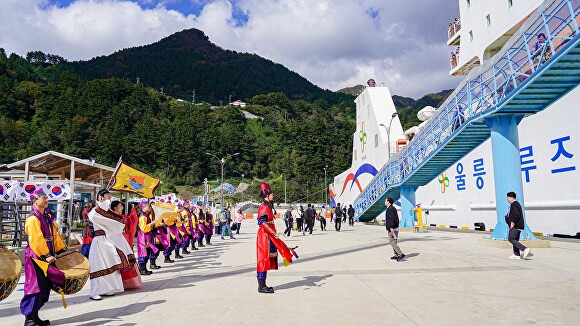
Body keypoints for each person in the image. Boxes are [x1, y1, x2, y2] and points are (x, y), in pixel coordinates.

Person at [20, 188, 67, 326]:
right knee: (35, 287)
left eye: (47, 198)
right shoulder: (33, 218)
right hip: (36, 257)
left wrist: (61, 250)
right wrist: (46, 255)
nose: (46, 200)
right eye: (43, 198)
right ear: (35, 201)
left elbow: (54, 236)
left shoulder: (47, 217)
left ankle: (35, 317)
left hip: (47, 256)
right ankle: (29, 319)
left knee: (45, 286)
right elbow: (36, 239)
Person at [88, 189, 136, 300]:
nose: (109, 198)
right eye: (107, 196)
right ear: (100, 198)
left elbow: (117, 223)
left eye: (110, 196)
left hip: (108, 241)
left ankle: (107, 289)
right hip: (99, 241)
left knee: (111, 265)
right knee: (98, 266)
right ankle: (94, 292)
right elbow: (98, 218)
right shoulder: (96, 211)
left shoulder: (107, 211)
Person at [256, 181, 296, 294]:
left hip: (268, 236)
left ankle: (263, 285)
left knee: (266, 259)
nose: (273, 196)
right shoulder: (264, 207)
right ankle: (261, 286)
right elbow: (261, 223)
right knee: (263, 260)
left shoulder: (267, 206)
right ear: (267, 196)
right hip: (265, 237)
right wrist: (273, 233)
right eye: (272, 194)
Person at [506, 192, 532, 259]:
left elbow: (516, 215)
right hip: (518, 225)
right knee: (515, 239)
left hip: (516, 225)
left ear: (511, 197)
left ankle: (524, 249)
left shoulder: (514, 204)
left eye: (508, 197)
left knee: (511, 238)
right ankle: (516, 254)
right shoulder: (515, 204)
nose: (507, 199)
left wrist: (512, 223)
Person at [137, 200, 158, 275]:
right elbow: (144, 228)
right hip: (143, 237)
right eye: (148, 206)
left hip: (146, 236)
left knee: (147, 252)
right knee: (143, 252)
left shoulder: (145, 215)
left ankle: (144, 268)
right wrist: (151, 224)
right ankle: (142, 269)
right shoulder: (143, 216)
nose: (150, 207)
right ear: (143, 207)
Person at [385, 197, 405, 262]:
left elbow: (391, 218)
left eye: (385, 200)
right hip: (396, 227)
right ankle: (396, 255)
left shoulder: (389, 209)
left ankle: (400, 254)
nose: (385, 201)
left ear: (388, 202)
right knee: (394, 241)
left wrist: (391, 227)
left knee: (391, 241)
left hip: (393, 228)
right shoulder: (393, 208)